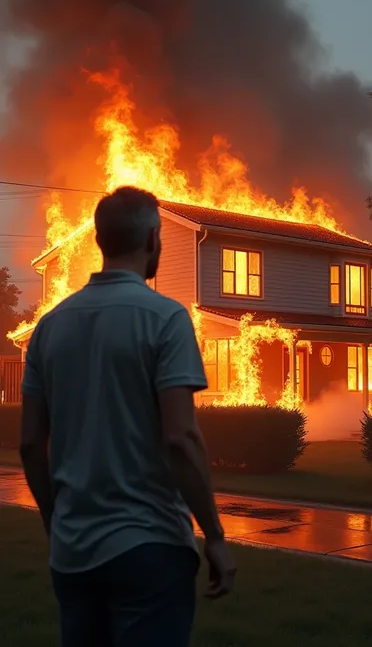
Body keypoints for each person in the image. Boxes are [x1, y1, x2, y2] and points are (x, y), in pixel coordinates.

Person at [20, 185, 236, 647]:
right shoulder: (166, 319)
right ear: (154, 240)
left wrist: (55, 520)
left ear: (100, 240)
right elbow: (180, 437)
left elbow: (30, 445)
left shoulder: (48, 327)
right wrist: (214, 535)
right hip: (150, 549)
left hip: (73, 553)